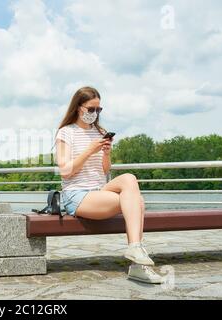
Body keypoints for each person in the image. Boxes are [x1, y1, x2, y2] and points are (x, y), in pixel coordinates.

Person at [55, 86, 163, 284]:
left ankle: (135, 249)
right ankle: (138, 265)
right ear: (78, 108)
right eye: (90, 109)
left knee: (129, 178)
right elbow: (65, 171)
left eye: (98, 110)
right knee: (136, 201)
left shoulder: (100, 132)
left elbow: (104, 171)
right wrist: (89, 150)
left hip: (99, 190)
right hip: (76, 194)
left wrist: (106, 153)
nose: (94, 114)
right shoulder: (66, 133)